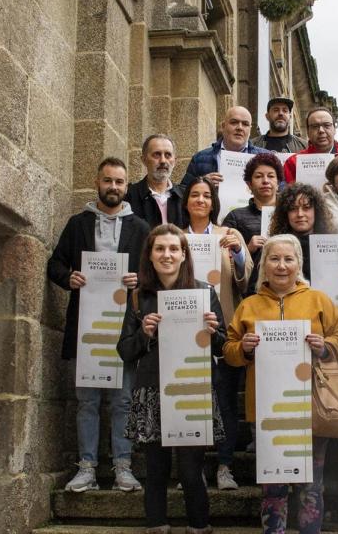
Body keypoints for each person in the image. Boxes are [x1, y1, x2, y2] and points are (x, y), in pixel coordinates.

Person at [223, 234, 338, 534]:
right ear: (264, 265)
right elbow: (228, 350)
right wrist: (243, 348)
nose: (281, 266)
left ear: (299, 264)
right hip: (267, 411)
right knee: (273, 486)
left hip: (311, 409)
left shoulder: (319, 300)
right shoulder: (249, 306)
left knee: (310, 486)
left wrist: (324, 345)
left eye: (288, 259)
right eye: (274, 259)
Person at [47, 157, 150, 493]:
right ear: (97, 182)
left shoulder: (141, 227)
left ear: (125, 186)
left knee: (122, 401)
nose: (114, 187)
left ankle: (123, 466)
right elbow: (55, 264)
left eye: (119, 182)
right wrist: (69, 277)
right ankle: (87, 467)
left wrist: (140, 280)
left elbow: (155, 274)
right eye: (108, 181)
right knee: (87, 401)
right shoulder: (78, 224)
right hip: (87, 328)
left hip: (125, 328)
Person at [117, 224, 224, 534]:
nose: (167, 254)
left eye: (173, 249)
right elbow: (124, 351)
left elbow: (223, 346)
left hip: (193, 389)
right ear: (150, 256)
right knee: (156, 469)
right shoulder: (137, 297)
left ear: (183, 254)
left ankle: (199, 526)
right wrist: (144, 334)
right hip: (152, 391)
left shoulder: (204, 292)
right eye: (160, 249)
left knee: (192, 471)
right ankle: (156, 525)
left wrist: (212, 331)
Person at [180, 177, 252, 490]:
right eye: (194, 195)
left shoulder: (229, 234)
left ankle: (224, 466)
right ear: (186, 202)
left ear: (213, 202)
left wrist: (237, 253)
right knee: (191, 401)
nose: (200, 200)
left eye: (206, 195)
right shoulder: (176, 237)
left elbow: (245, 278)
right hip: (183, 332)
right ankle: (191, 470)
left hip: (222, 328)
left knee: (224, 401)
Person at [223, 152, 283, 295]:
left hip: (286, 289)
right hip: (249, 293)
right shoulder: (235, 217)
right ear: (249, 184)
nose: (265, 181)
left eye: (271, 176)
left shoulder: (291, 214)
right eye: (258, 176)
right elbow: (223, 259)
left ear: (279, 182)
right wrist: (247, 249)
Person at [180, 106, 271, 188]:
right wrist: (202, 183)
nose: (240, 127)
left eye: (245, 124)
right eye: (234, 122)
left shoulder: (266, 158)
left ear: (250, 130)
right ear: (223, 126)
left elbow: (280, 192)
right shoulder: (200, 158)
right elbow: (182, 192)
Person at [284, 107, 338, 189]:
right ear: (308, 132)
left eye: (327, 125)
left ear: (334, 129)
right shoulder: (293, 162)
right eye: (315, 126)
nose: (321, 130)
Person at [268, 182, 337, 281]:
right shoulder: (273, 246)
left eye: (306, 208)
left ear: (316, 211)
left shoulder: (333, 246)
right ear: (285, 214)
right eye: (293, 209)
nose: (300, 214)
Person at [127, 134, 186, 228]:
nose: (163, 160)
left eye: (168, 155)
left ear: (174, 161)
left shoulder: (186, 196)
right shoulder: (129, 196)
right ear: (144, 160)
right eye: (157, 154)